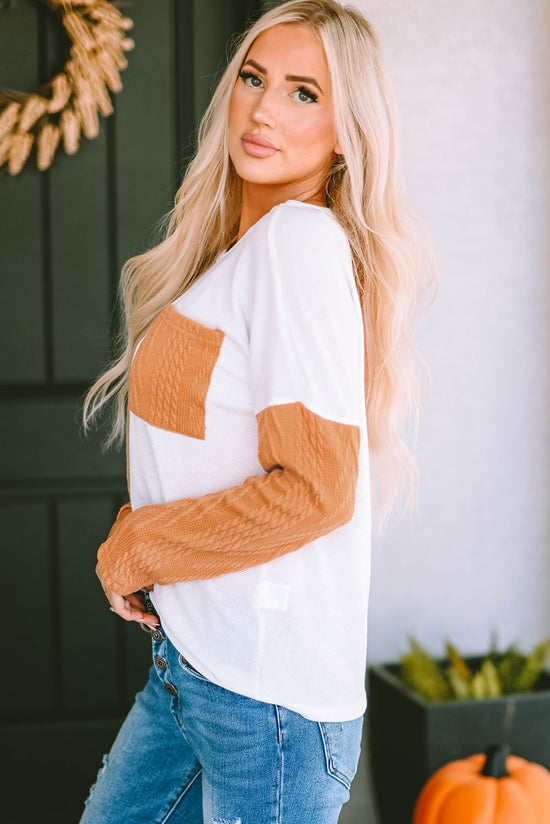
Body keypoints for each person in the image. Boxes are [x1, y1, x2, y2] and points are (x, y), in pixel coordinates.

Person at [80, 1, 437, 822]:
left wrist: (141, 544)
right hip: (195, 668)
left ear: (350, 130)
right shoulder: (245, 256)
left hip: (262, 703)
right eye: (254, 78)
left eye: (305, 92)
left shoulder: (297, 245)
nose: (266, 108)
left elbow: (315, 487)